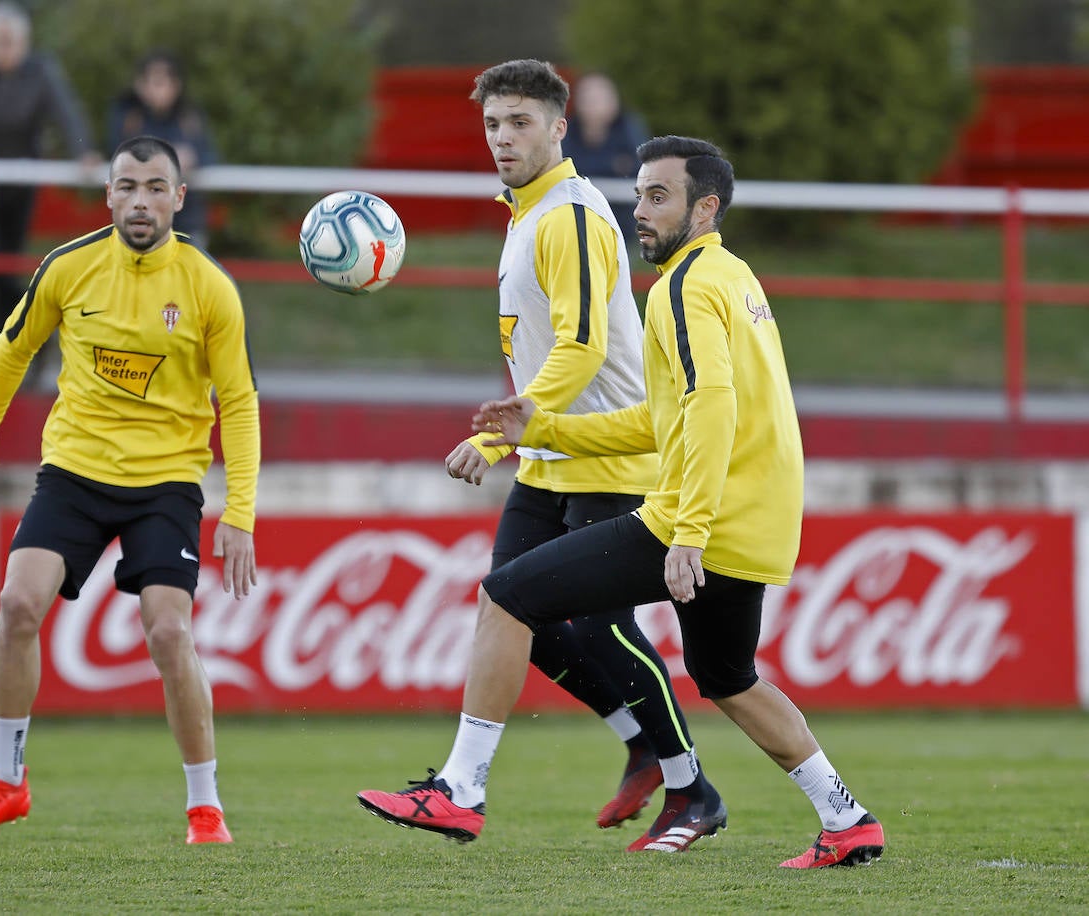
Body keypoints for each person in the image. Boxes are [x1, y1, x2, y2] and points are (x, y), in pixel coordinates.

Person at [358, 132, 887, 869]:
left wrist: (689, 534)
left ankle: (462, 791)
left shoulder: (685, 287)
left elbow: (709, 411)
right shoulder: (733, 276)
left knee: (510, 596)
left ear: (705, 208)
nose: (639, 210)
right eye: (638, 193)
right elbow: (659, 420)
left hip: (701, 518)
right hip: (756, 520)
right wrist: (541, 427)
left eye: (658, 196)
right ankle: (847, 818)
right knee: (728, 678)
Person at [0, 135, 260, 847]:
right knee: (17, 603)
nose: (140, 200)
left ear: (179, 198)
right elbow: (11, 351)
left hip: (167, 482)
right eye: (127, 187)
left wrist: (239, 513)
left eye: (155, 187)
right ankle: (5, 782)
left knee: (170, 631)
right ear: (108, 195)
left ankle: (204, 807)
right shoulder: (69, 267)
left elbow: (238, 402)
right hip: (76, 471)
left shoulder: (209, 286)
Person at [432, 59, 713, 835]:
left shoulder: (572, 215)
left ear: (560, 127)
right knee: (509, 611)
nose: (502, 137)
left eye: (520, 122)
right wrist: (509, 444)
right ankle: (636, 752)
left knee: (594, 625)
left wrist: (494, 438)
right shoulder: (526, 215)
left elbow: (584, 348)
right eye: (492, 123)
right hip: (549, 459)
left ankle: (692, 787)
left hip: (609, 454)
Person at [0, 1, 103, 338]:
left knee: (9, 259)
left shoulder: (42, 70)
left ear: (25, 44)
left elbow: (66, 111)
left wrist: (84, 152)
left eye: (10, 42)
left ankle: (16, 337)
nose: (4, 50)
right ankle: (19, 334)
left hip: (23, 177)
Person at [107, 50, 219, 247]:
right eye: (153, 82)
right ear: (140, 85)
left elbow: (210, 157)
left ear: (176, 85)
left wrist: (193, 159)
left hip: (187, 221)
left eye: (164, 82)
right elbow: (116, 155)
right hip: (139, 222)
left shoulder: (190, 117)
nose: (159, 90)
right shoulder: (128, 117)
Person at [560, 72, 650, 241]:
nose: (593, 104)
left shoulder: (628, 127)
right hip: (573, 222)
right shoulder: (567, 129)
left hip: (620, 224)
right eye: (587, 97)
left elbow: (640, 169)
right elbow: (563, 167)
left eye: (599, 98)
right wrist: (613, 165)